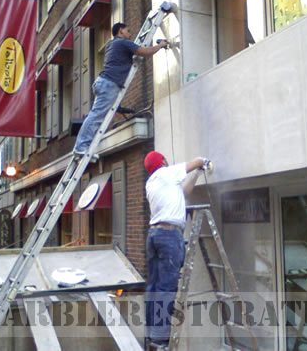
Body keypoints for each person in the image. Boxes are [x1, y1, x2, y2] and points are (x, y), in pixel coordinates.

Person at [144, 151, 209, 348]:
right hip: (168, 235)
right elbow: (193, 162)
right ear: (162, 162)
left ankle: (153, 332)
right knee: (167, 287)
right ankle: (162, 336)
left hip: (154, 235)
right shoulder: (166, 173)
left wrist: (197, 174)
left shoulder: (153, 182)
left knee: (154, 286)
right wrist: (203, 161)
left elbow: (183, 192)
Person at [73, 23, 168, 156]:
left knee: (97, 116)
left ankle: (84, 145)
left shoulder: (112, 45)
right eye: (128, 31)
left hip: (104, 83)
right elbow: (144, 52)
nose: (130, 34)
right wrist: (161, 45)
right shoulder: (123, 43)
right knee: (96, 116)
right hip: (109, 84)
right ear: (120, 31)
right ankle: (81, 146)